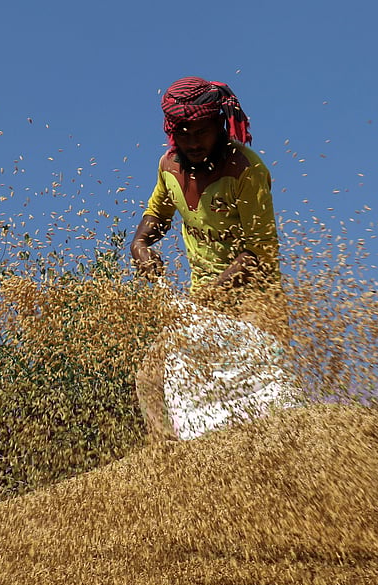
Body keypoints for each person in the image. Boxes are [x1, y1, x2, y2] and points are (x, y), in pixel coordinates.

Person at [130, 77, 291, 440]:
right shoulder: (169, 166)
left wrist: (208, 296)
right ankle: (169, 461)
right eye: (184, 134)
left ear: (220, 125)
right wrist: (140, 245)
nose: (193, 143)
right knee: (151, 376)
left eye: (202, 132)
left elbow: (258, 254)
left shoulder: (245, 171)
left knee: (261, 387)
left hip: (256, 303)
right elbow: (157, 213)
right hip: (203, 302)